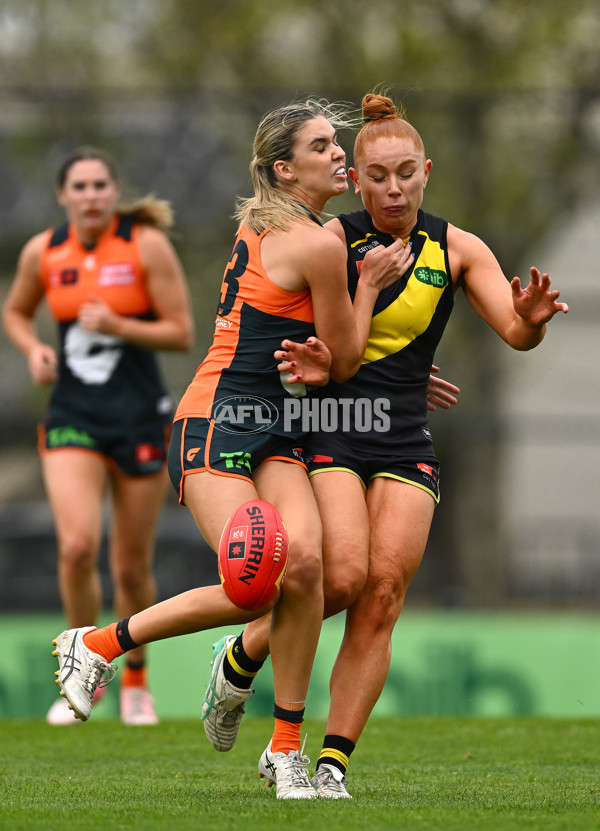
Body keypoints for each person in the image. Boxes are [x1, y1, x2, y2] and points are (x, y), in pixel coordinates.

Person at [204, 91, 569, 799]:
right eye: (377, 176)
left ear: (426, 170)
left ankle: (333, 763)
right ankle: (243, 651)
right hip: (336, 426)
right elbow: (284, 328)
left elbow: (515, 333)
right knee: (340, 577)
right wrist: (308, 363)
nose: (392, 187)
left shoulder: (457, 248)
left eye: (406, 172)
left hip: (404, 437)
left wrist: (532, 322)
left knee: (383, 595)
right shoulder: (326, 240)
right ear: (357, 180)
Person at [46, 100, 414, 798]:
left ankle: (284, 750)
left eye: (335, 144)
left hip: (274, 426)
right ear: (285, 168)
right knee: (257, 582)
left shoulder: (280, 220)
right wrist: (366, 286)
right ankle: (96, 644)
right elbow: (344, 361)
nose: (338, 154)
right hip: (216, 417)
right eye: (321, 147)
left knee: (308, 568)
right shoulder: (318, 243)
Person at [2, 147, 195, 726]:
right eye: (79, 186)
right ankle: (79, 680)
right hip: (71, 417)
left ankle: (134, 680)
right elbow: (16, 311)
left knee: (131, 564)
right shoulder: (44, 249)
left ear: (114, 192)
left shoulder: (145, 245)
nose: (90, 195)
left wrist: (118, 325)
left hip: (139, 418)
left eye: (99, 185)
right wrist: (33, 347)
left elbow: (182, 332)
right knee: (77, 547)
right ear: (63, 196)